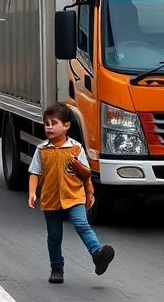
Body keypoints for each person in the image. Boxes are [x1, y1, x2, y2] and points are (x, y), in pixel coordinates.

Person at [28, 104, 115, 284]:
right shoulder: (42, 150)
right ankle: (57, 268)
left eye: (54, 123)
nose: (49, 127)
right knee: (54, 236)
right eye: (46, 124)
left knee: (81, 224)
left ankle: (97, 254)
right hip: (51, 198)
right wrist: (32, 193)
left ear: (66, 125)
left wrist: (87, 186)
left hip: (74, 195)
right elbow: (35, 173)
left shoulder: (76, 148)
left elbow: (86, 174)